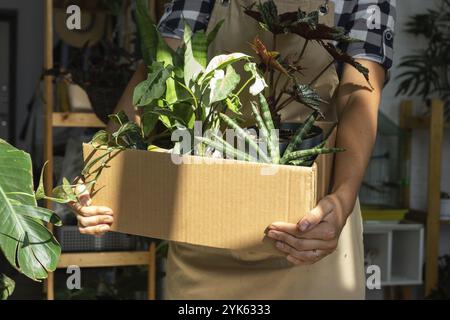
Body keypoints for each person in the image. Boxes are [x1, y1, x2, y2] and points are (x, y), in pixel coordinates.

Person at [71, 0, 396, 299]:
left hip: (309, 234)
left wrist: (342, 198)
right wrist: (102, 166)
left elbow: (359, 93)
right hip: (204, 233)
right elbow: (159, 71)